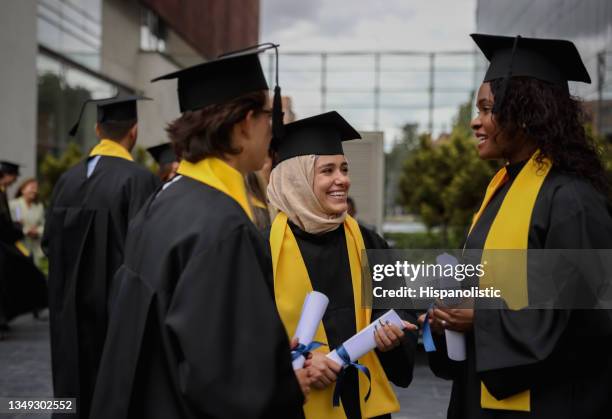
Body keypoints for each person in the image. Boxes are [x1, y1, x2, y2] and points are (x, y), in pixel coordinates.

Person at [90, 44, 305, 419]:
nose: (272, 129)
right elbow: (230, 384)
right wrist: (281, 378)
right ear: (243, 124)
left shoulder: (163, 202)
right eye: (269, 117)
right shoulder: (224, 227)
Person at [421, 34, 612, 418]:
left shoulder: (571, 200)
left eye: (487, 109)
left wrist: (483, 318)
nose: (475, 121)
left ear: (526, 113)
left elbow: (589, 316)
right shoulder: (500, 192)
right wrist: (445, 320)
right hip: (480, 396)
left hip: (548, 403)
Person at [267, 110, 418, 419]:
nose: (342, 180)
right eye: (327, 171)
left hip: (362, 404)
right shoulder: (263, 248)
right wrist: (303, 361)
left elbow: (399, 308)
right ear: (297, 178)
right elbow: (249, 335)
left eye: (344, 168)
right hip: (298, 404)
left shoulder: (367, 241)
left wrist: (393, 337)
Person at [42, 95, 159, 418]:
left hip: (67, 310)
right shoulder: (139, 180)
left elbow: (49, 243)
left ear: (96, 130)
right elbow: (148, 252)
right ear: (133, 132)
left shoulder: (67, 179)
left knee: (71, 391)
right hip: (116, 312)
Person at [10, 178, 45, 266]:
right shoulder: (15, 205)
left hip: (34, 247)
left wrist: (37, 231)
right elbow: (15, 222)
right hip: (19, 246)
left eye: (36, 188)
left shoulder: (39, 206)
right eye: (32, 187)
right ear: (23, 190)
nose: (34, 190)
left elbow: (44, 225)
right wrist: (26, 230)